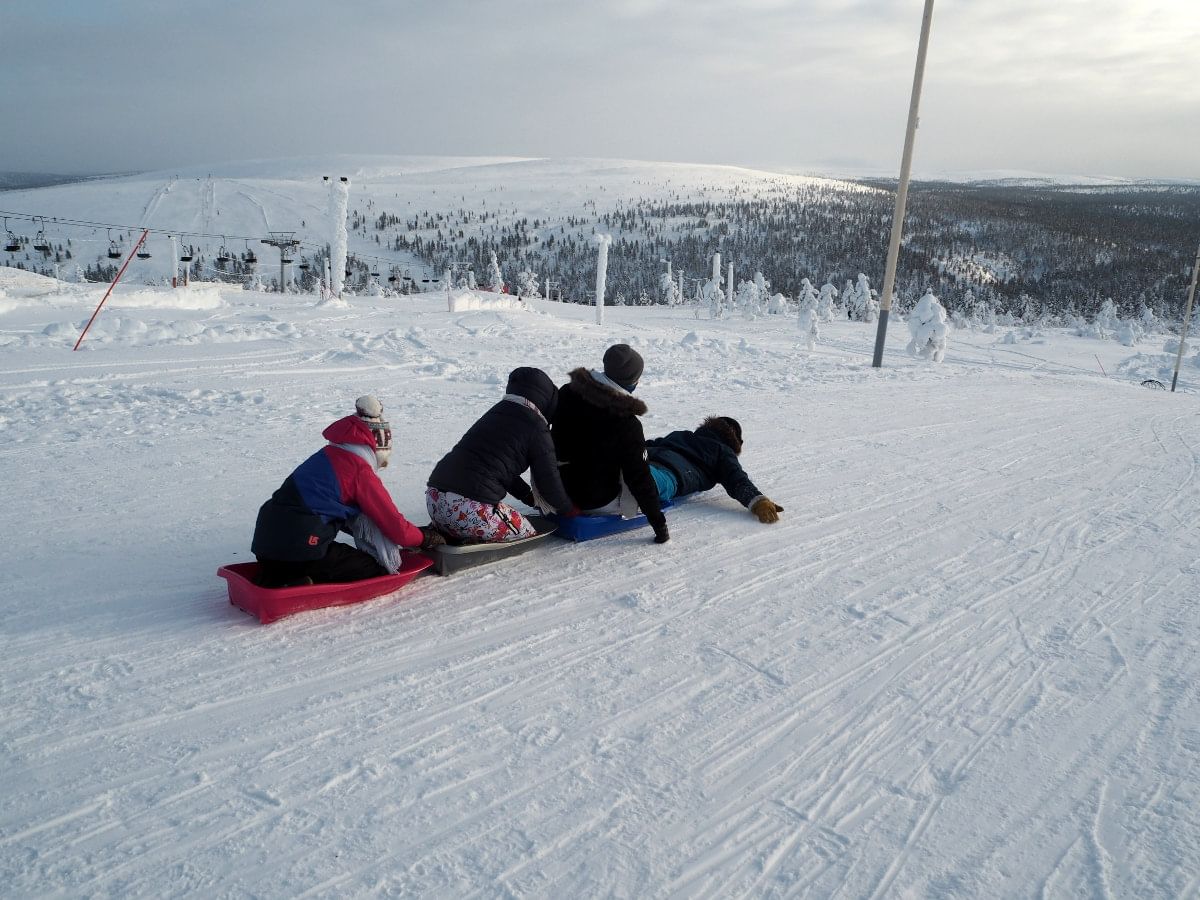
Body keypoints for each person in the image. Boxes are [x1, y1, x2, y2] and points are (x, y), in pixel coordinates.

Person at [251, 396, 442, 588]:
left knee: (310, 546)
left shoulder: (325, 456)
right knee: (373, 568)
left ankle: (275, 575)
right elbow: (393, 525)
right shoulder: (360, 471)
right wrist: (423, 537)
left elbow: (326, 509)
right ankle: (297, 580)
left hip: (264, 547)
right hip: (301, 551)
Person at [427, 367, 577, 542]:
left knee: (484, 512)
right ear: (547, 401)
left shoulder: (495, 413)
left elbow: (499, 468)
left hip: (435, 501)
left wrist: (527, 495)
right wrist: (567, 509)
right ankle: (468, 535)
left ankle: (452, 532)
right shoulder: (537, 427)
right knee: (528, 531)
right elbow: (548, 479)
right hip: (468, 510)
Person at [551, 343, 669, 544]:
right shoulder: (626, 422)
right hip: (593, 499)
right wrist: (659, 524)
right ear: (631, 381)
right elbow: (638, 477)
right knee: (649, 479)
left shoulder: (567, 392)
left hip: (556, 488)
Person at [646, 416, 784, 523]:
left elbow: (647, 444)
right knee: (655, 481)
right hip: (674, 472)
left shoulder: (681, 434)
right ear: (734, 441)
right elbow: (736, 479)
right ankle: (635, 484)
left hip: (644, 457)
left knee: (634, 464)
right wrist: (757, 501)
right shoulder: (723, 450)